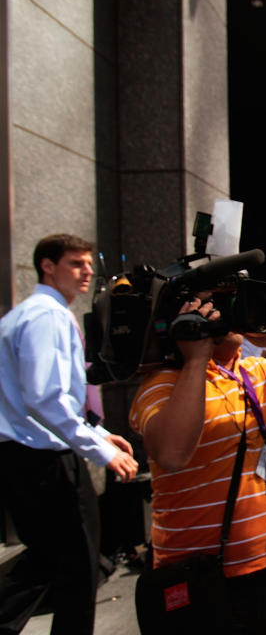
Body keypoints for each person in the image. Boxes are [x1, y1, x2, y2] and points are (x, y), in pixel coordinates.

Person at [128, 297, 266, 634]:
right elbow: (172, 454)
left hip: (264, 566)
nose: (231, 315)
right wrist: (195, 360)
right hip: (197, 576)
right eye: (215, 306)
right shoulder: (163, 384)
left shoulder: (254, 370)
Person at [0, 233, 139, 635]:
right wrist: (99, 449)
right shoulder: (47, 316)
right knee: (76, 567)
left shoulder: (23, 316)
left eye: (89, 264)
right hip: (44, 461)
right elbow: (45, 398)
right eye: (76, 263)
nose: (88, 272)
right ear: (47, 265)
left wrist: (97, 431)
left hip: (26, 456)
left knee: (56, 561)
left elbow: (43, 396)